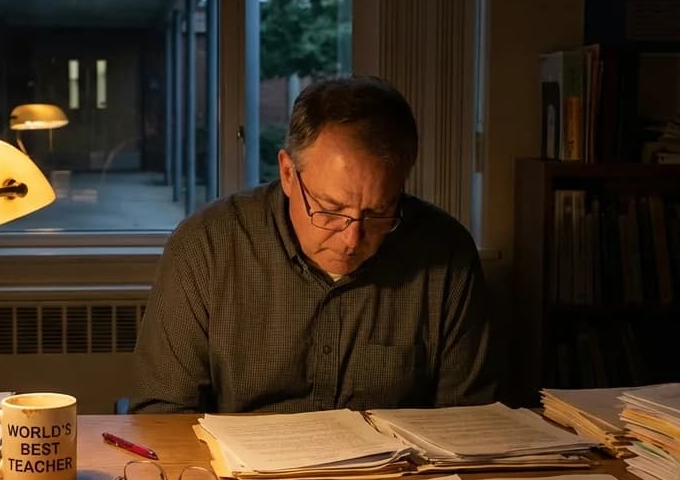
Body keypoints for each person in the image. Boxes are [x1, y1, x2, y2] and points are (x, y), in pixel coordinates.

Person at [129, 75, 497, 413]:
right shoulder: (206, 246)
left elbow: (466, 422)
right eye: (331, 209)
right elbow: (163, 415)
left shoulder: (446, 253)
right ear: (288, 174)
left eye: (379, 213)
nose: (352, 239)